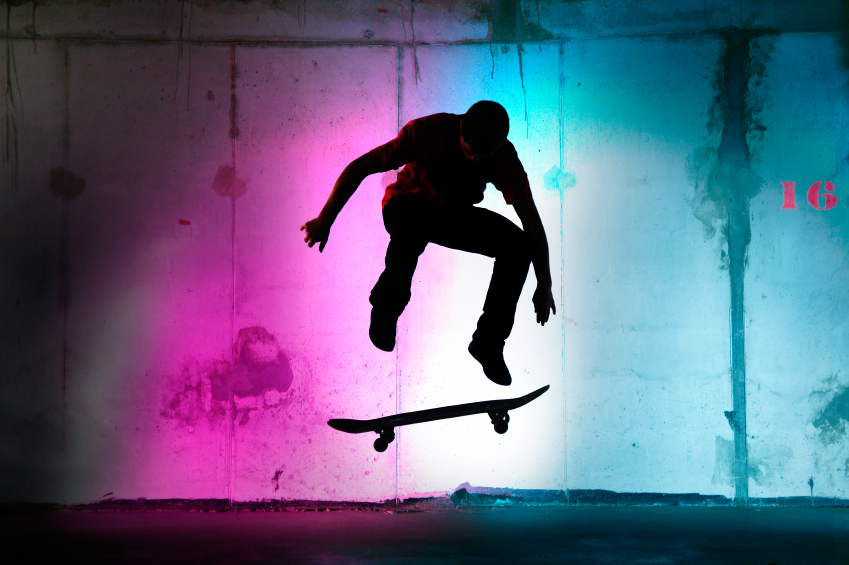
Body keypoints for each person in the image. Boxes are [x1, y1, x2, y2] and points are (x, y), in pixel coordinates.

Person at [300, 101, 555, 386]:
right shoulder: (427, 132)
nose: (473, 162)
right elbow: (362, 166)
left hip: (449, 214)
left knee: (518, 245)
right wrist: (325, 218)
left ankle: (488, 342)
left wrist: (544, 281)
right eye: (469, 152)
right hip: (405, 204)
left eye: (481, 159)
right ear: (461, 129)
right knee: (416, 223)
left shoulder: (505, 159)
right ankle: (386, 309)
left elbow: (531, 221)